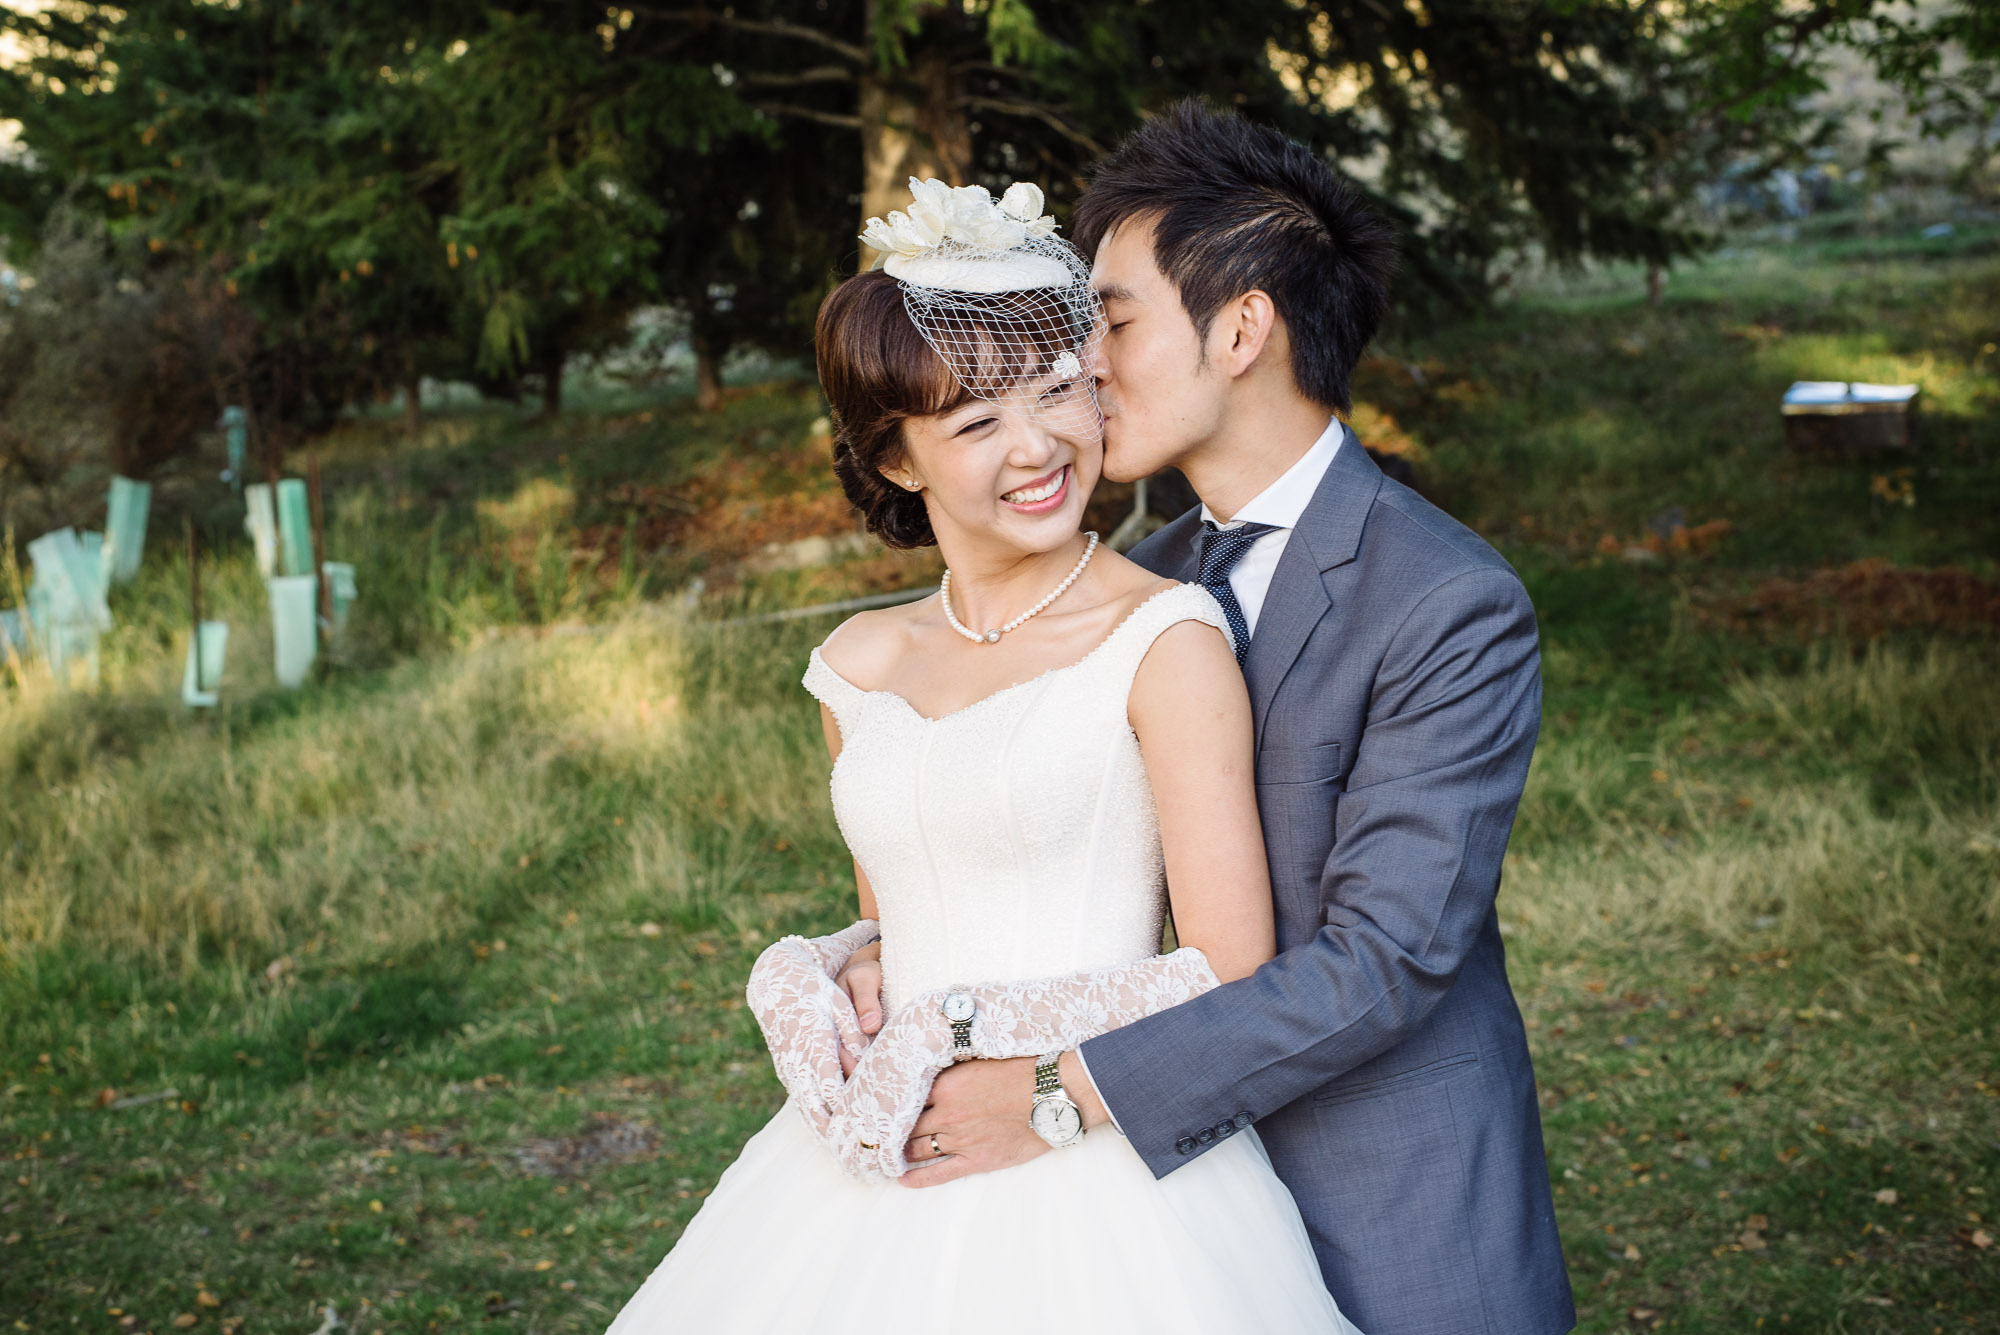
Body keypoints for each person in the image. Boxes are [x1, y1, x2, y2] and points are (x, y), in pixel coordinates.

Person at [835, 104, 1577, 1335]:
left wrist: (1054, 1096)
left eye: (1110, 321)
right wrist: (891, 955)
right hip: (1132, 1214)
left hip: (1376, 1188)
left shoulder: (1445, 601)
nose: (1078, 366)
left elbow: (1384, 961)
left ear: (1240, 327)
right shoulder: (1132, 584)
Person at [602, 178, 1362, 1332]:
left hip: (1094, 1171)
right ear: (896, 460)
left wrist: (957, 1027)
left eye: (1058, 389)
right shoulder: (854, 668)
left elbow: (1221, 966)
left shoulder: (1162, 639)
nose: (1038, 444)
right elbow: (892, 919)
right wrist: (817, 971)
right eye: (975, 423)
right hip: (876, 1155)